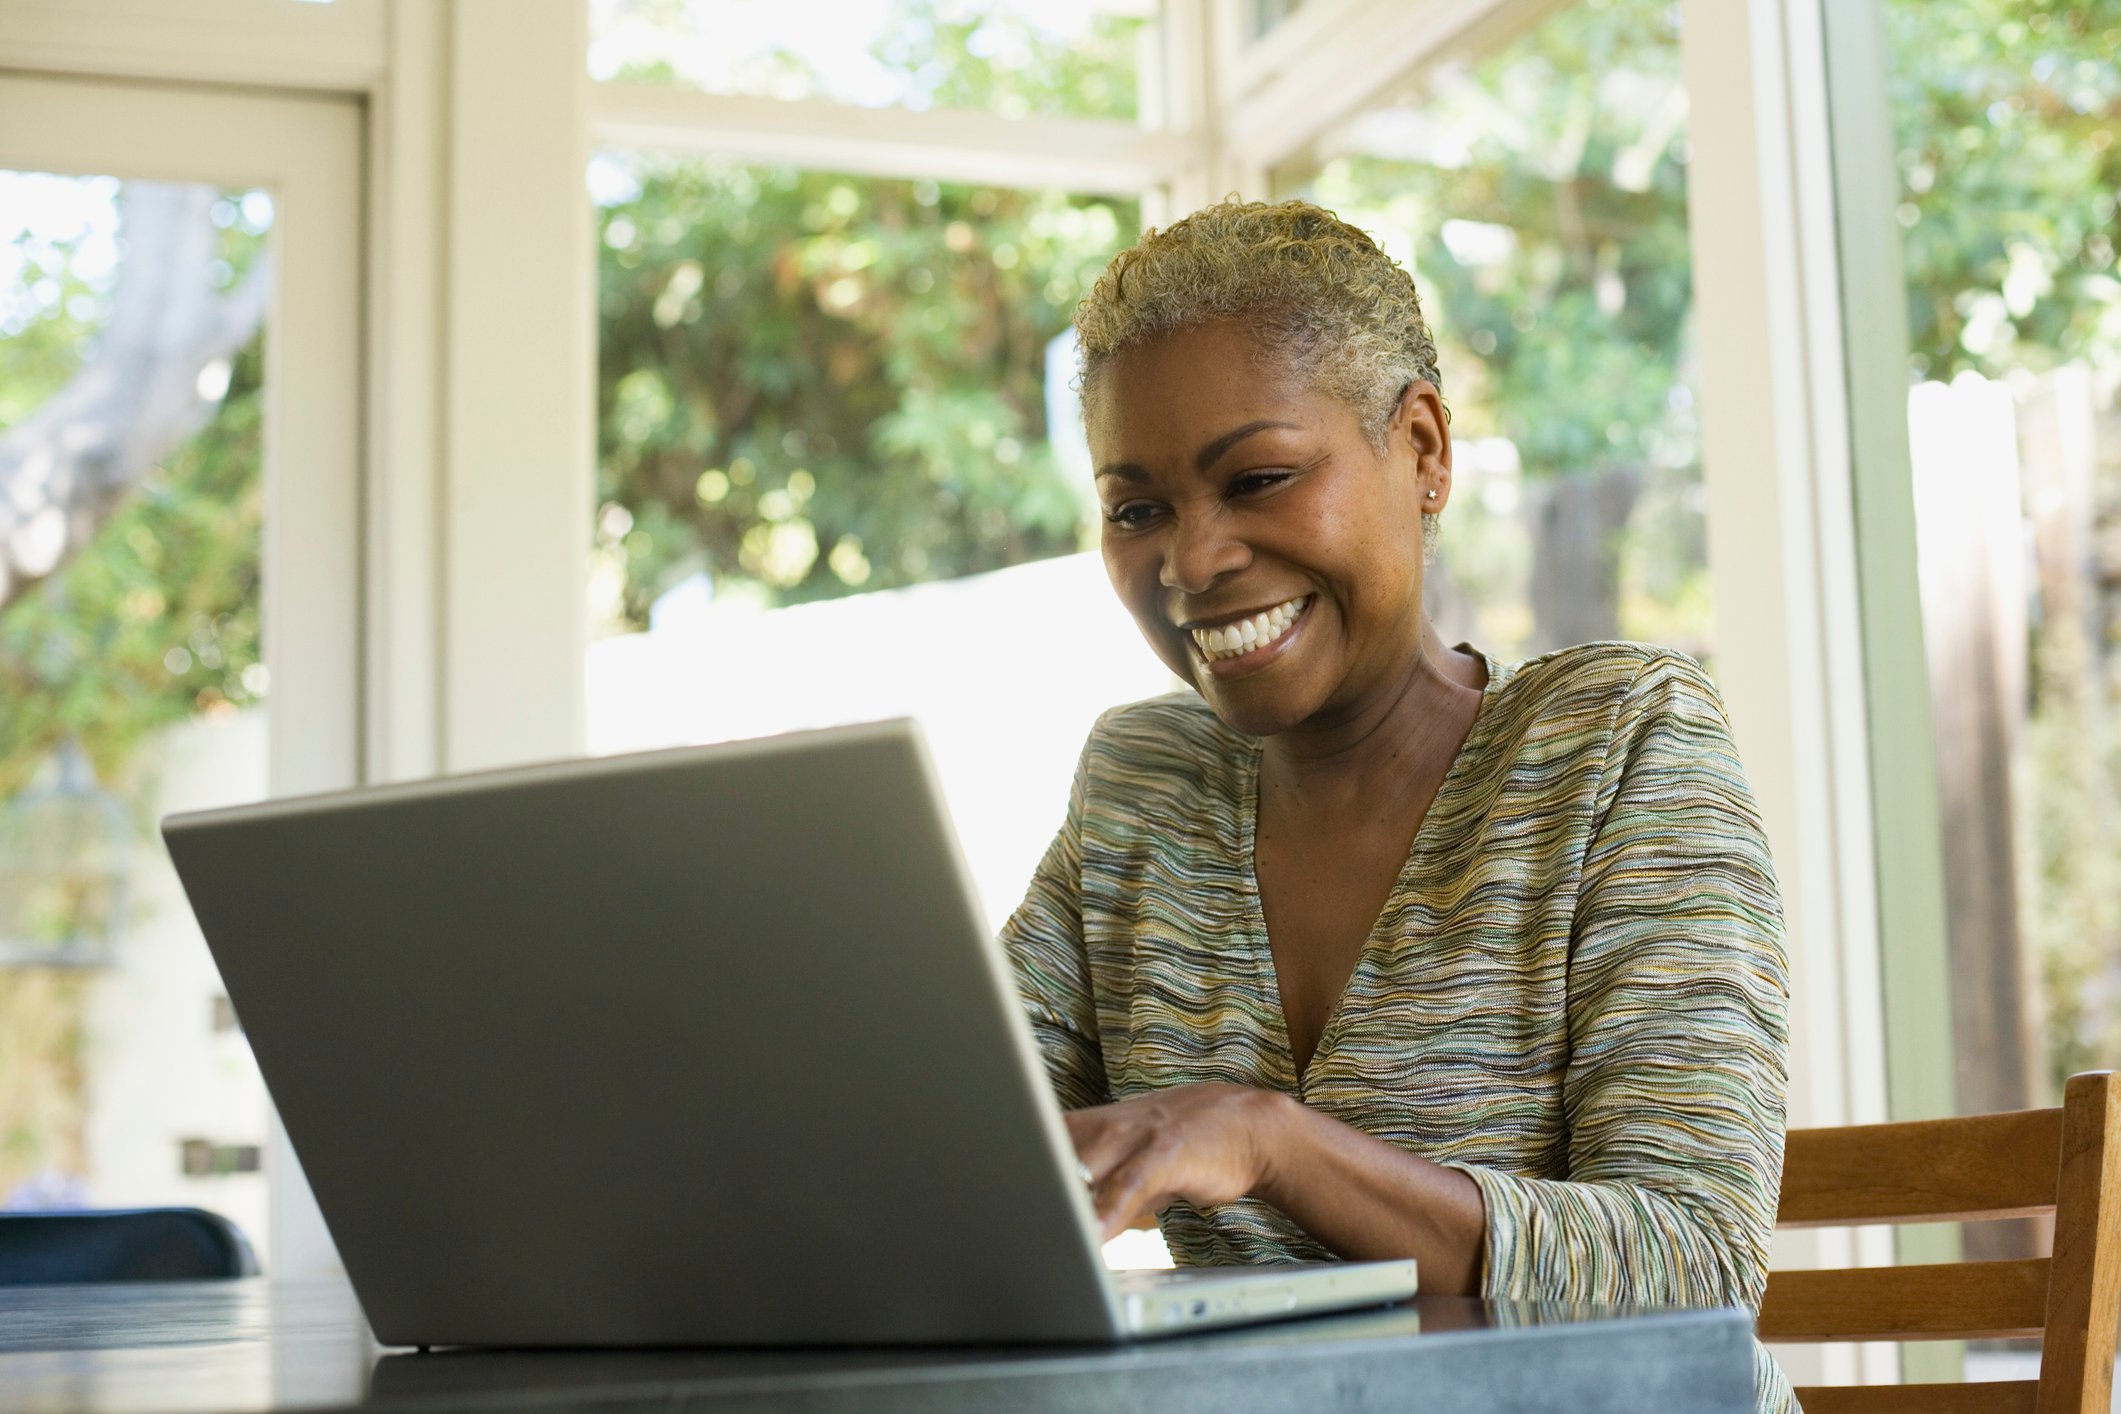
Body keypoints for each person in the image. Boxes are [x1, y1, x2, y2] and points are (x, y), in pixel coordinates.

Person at [1000, 198, 1795, 1414]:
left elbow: (1691, 1263)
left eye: (1257, 477)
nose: (1193, 560)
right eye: (1136, 507)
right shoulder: (1145, 788)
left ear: (1422, 448)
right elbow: (958, 1142)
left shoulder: (1619, 745)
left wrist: (1271, 1142)